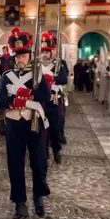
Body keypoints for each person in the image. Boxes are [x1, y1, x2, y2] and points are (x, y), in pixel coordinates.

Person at [0, 27, 51, 219]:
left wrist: (21, 94)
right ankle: (20, 202)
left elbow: (46, 95)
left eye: (24, 55)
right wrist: (20, 97)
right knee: (15, 164)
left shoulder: (37, 74)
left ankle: (38, 196)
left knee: (38, 162)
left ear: (29, 56)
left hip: (34, 122)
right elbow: (0, 101)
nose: (20, 59)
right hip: (13, 123)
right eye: (17, 56)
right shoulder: (7, 75)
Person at [40, 33, 68, 164]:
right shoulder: (36, 65)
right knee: (41, 129)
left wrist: (51, 78)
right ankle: (44, 152)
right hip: (40, 101)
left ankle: (56, 149)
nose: (44, 54)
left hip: (53, 100)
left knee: (55, 129)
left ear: (51, 52)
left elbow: (63, 79)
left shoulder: (58, 64)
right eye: (42, 52)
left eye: (47, 52)